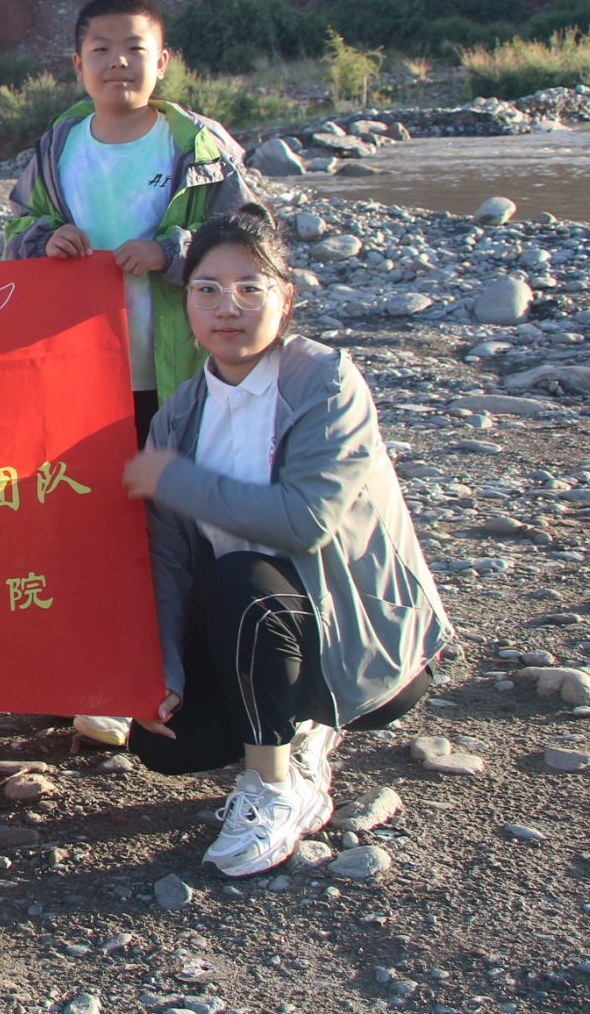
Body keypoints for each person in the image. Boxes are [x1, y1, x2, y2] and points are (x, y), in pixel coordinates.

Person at [119, 205, 451, 877]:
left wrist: (175, 480)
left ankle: (276, 787)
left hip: (348, 632)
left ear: (286, 299)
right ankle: (297, 727)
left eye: (251, 287)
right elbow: (168, 562)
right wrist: (164, 675)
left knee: (239, 577)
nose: (228, 307)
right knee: (167, 744)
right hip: (251, 632)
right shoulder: (179, 417)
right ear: (187, 303)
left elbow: (306, 520)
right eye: (207, 289)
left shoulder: (324, 382)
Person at [1, 0, 246, 748]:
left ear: (163, 61)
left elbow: (249, 243)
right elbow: (13, 232)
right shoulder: (57, 147)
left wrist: (173, 253)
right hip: (76, 378)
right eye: (101, 49)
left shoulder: (199, 146)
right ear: (76, 64)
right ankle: (90, 676)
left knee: (177, 530)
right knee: (85, 524)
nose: (118, 63)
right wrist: (45, 240)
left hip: (176, 373)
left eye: (135, 48)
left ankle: (178, 679)